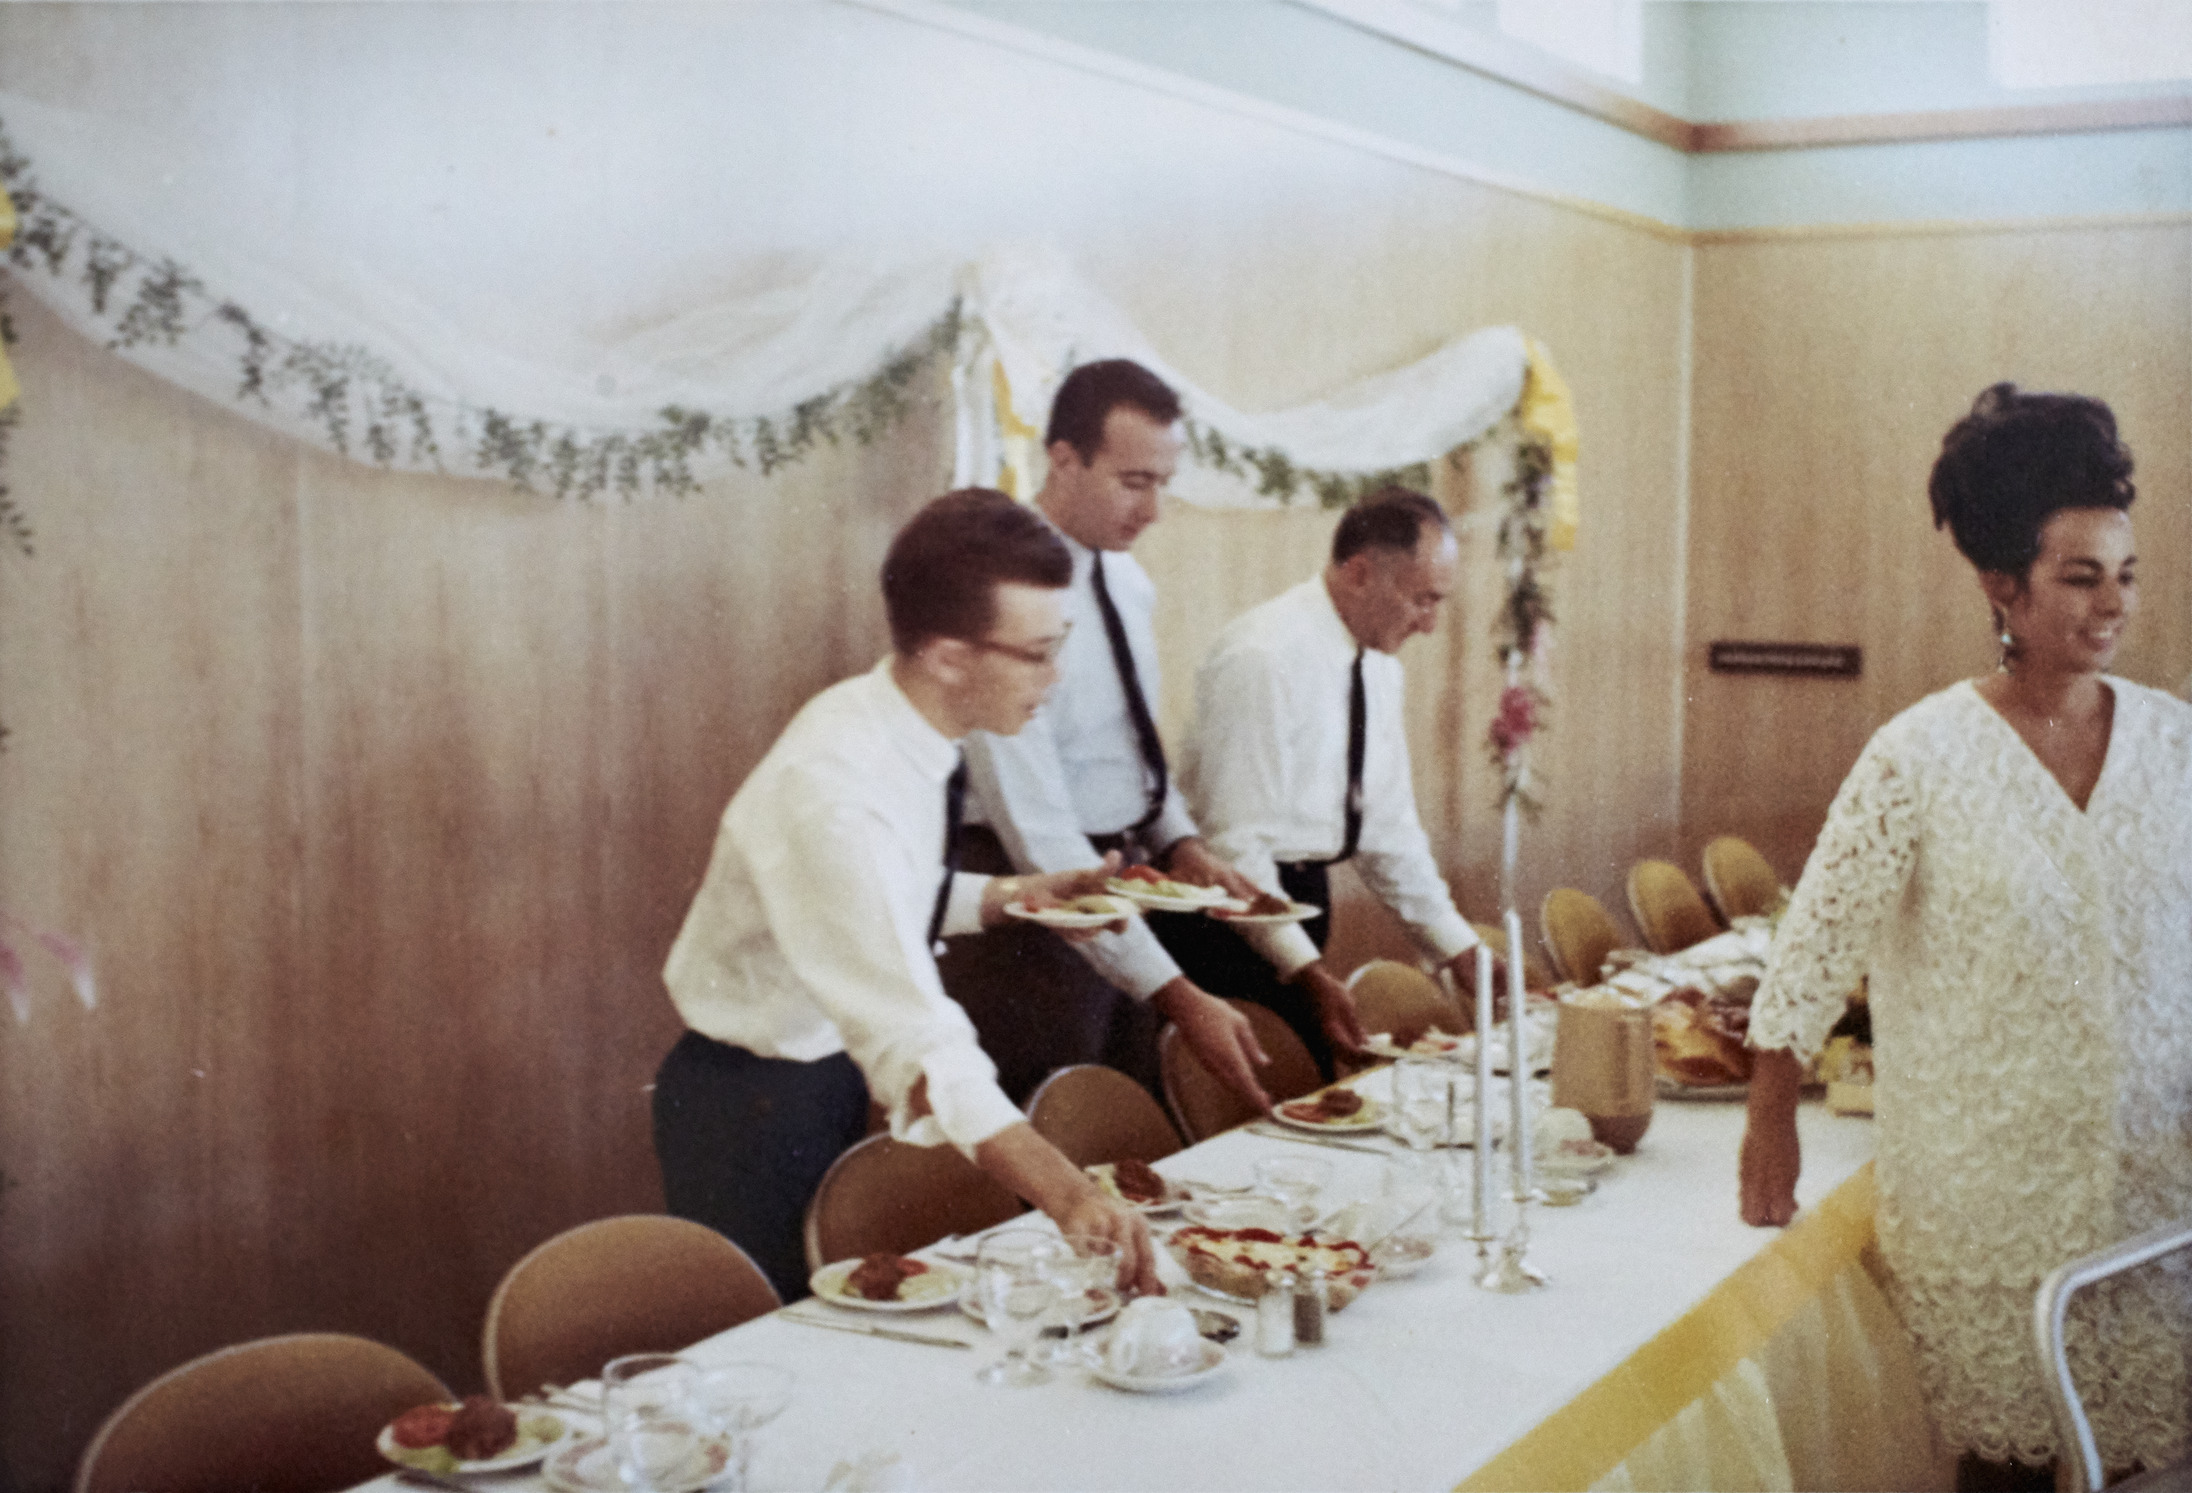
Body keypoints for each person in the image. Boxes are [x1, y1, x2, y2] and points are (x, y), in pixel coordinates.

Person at [1738, 384, 2192, 1485]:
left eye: (2123, 573)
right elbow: (1807, 954)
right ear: (2001, 586)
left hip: (2155, 1209)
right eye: (2077, 576)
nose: (2110, 603)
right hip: (1987, 1218)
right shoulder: (1918, 757)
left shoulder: (2175, 743)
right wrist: (1769, 1125)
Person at [651, 488, 1160, 1304]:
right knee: (781, 1351)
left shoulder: (901, 723)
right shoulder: (833, 786)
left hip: (822, 1071)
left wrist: (1013, 895)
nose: (1056, 678)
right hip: (748, 1101)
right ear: (951, 655)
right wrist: (1066, 1192)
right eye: (1037, 653)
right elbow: (919, 1036)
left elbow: (890, 890)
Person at [944, 359, 1271, 1110]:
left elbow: (1131, 747)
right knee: (1048, 1142)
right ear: (1063, 459)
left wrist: (1183, 841)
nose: (1154, 508)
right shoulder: (1000, 593)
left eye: (1163, 481)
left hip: (1121, 884)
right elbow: (1039, 829)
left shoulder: (1126, 580)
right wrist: (1182, 996)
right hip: (1028, 911)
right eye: (1134, 481)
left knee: (1123, 1137)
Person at [1171, 487, 1493, 1077]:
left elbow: (1386, 829)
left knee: (1311, 1093)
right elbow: (1235, 845)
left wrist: (1456, 944)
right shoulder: (1263, 656)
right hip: (1221, 922)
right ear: (1361, 573)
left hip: (1299, 900)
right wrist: (1304, 969)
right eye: (1422, 600)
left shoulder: (1378, 664)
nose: (1431, 623)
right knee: (1264, 1109)